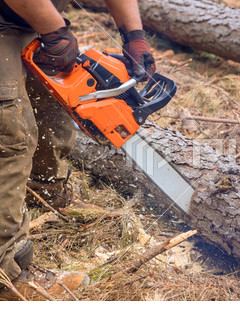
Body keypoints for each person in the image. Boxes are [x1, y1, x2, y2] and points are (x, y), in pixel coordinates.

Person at [0, 0, 156, 300]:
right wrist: (54, 30)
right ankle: (8, 274)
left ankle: (44, 190)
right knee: (10, 137)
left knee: (52, 110)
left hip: (28, 19)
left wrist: (133, 36)